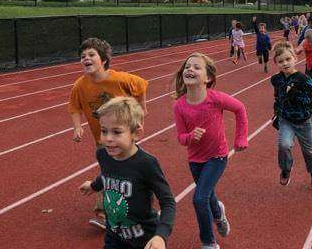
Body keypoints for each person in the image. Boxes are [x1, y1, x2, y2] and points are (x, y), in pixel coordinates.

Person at [69, 37, 149, 229]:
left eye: (91, 54)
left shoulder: (120, 79)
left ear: (103, 60)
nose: (85, 58)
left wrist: (142, 109)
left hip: (125, 136)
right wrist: (77, 126)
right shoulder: (80, 85)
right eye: (82, 56)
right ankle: (109, 211)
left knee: (119, 170)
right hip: (102, 139)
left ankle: (110, 211)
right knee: (112, 170)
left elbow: (141, 85)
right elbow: (74, 107)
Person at [173, 53, 248, 249]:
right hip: (195, 159)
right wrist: (190, 137)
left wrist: (240, 137)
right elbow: (181, 138)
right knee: (207, 194)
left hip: (217, 156)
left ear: (208, 78)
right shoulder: (179, 106)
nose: (190, 69)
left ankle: (208, 242)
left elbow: (240, 109)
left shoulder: (215, 99)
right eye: (187, 67)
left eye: (196, 67)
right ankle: (218, 212)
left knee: (199, 198)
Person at [79, 97, 175, 249]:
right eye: (104, 131)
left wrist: (160, 235)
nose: (108, 138)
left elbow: (168, 202)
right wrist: (94, 185)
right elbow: (107, 173)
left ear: (136, 134)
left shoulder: (146, 164)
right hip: (114, 235)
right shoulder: (103, 155)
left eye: (117, 132)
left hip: (144, 239)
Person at [271, 41, 312, 190]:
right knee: (284, 144)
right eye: (280, 61)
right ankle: (286, 168)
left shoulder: (303, 79)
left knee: (309, 150)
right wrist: (276, 112)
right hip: (286, 120)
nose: (285, 63)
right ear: (276, 63)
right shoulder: (276, 80)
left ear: (295, 59)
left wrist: (295, 94)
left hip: (303, 121)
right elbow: (278, 98)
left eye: (288, 59)